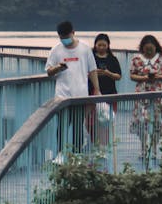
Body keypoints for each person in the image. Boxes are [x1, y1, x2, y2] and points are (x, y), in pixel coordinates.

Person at [46, 20, 100, 154]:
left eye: (67, 37)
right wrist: (58, 68)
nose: (64, 40)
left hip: (79, 95)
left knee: (78, 127)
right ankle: (60, 153)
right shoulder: (56, 50)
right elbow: (48, 71)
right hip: (62, 96)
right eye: (62, 38)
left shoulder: (84, 49)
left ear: (73, 33)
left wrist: (97, 89)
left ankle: (77, 155)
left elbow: (92, 70)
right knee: (62, 127)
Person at [129, 34, 162, 163]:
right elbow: (132, 75)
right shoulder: (136, 59)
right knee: (142, 120)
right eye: (146, 49)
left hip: (158, 92)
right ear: (142, 48)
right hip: (142, 93)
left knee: (158, 121)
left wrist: (158, 76)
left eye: (151, 49)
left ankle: (153, 148)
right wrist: (145, 78)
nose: (148, 51)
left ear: (156, 47)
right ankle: (143, 147)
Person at [87, 32, 123, 145]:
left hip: (109, 93)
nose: (101, 47)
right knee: (90, 121)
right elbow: (84, 73)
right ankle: (94, 140)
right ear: (95, 45)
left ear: (108, 46)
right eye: (99, 45)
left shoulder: (113, 59)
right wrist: (94, 73)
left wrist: (108, 73)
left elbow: (118, 76)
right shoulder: (90, 58)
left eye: (104, 45)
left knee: (105, 120)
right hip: (92, 92)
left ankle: (103, 145)